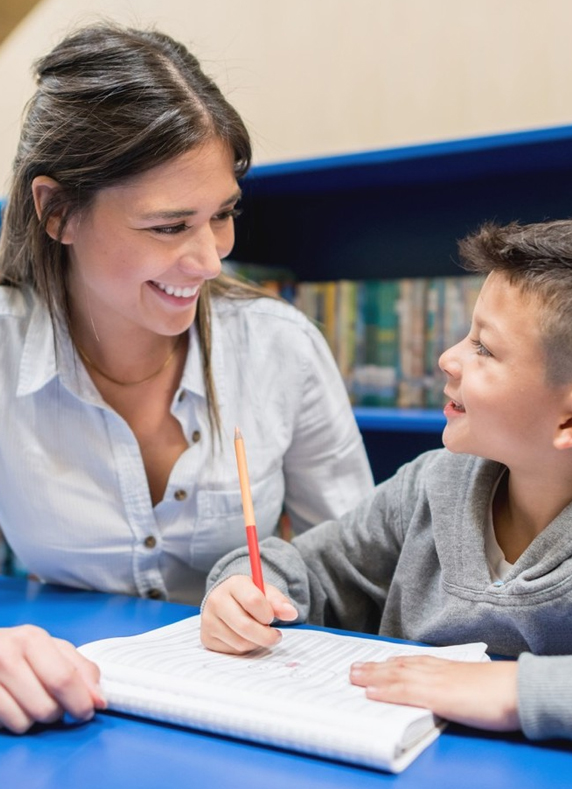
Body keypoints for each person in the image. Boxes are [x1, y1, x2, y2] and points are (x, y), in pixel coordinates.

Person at [0, 22, 374, 733]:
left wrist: (282, 600)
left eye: (224, 216)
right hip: (63, 715)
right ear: (57, 213)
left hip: (248, 716)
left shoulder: (281, 349)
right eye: (169, 227)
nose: (210, 261)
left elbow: (364, 569)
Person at [202, 219, 572, 742]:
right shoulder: (429, 485)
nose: (448, 358)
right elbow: (314, 567)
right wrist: (242, 587)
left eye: (484, 349)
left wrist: (516, 690)